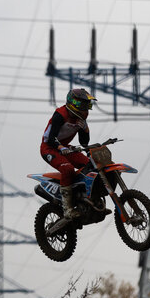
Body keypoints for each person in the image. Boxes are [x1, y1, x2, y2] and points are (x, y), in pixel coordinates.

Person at [40, 88, 96, 219]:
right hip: (49, 148)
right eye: (82, 104)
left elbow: (84, 142)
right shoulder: (60, 114)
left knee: (90, 164)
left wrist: (85, 130)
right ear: (73, 103)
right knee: (67, 169)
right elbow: (50, 137)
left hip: (65, 148)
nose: (84, 108)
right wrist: (60, 147)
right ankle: (67, 208)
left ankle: (83, 197)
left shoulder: (82, 117)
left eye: (86, 105)